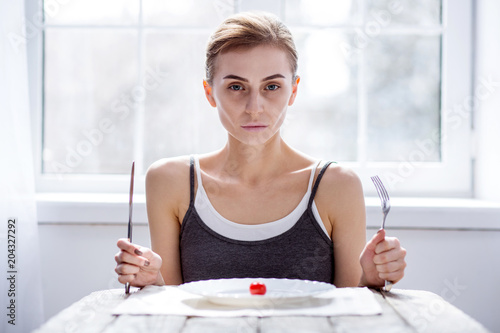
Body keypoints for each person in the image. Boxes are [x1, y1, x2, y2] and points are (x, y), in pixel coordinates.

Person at [115, 11, 406, 288]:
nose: (254, 109)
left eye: (271, 87)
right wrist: (153, 282)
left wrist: (371, 281)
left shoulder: (337, 186)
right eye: (236, 87)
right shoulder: (170, 182)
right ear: (209, 93)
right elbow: (171, 310)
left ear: (293, 91)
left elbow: (351, 313)